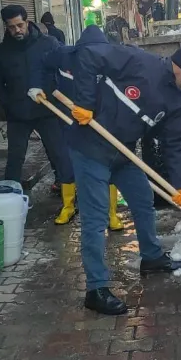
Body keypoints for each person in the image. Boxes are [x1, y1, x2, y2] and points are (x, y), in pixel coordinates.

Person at [53, 25, 181, 315]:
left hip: (122, 152)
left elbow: (174, 143)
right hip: (90, 147)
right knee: (96, 218)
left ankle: (152, 257)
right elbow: (88, 56)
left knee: (143, 200)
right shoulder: (138, 61)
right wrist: (85, 102)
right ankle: (96, 288)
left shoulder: (179, 101)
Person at [0, 5, 75, 224]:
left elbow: (64, 72)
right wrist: (8, 103)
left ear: (27, 22)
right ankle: (9, 202)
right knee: (15, 158)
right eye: (12, 27)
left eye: (20, 25)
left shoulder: (48, 44)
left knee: (59, 155)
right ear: (6, 27)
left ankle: (70, 202)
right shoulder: (1, 52)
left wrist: (55, 96)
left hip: (48, 110)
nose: (17, 30)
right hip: (18, 114)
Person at [44, 36, 125, 231]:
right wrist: (40, 86)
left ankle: (111, 213)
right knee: (66, 162)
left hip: (102, 121)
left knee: (107, 164)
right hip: (68, 119)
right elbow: (41, 64)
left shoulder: (111, 61)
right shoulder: (64, 56)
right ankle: (68, 207)